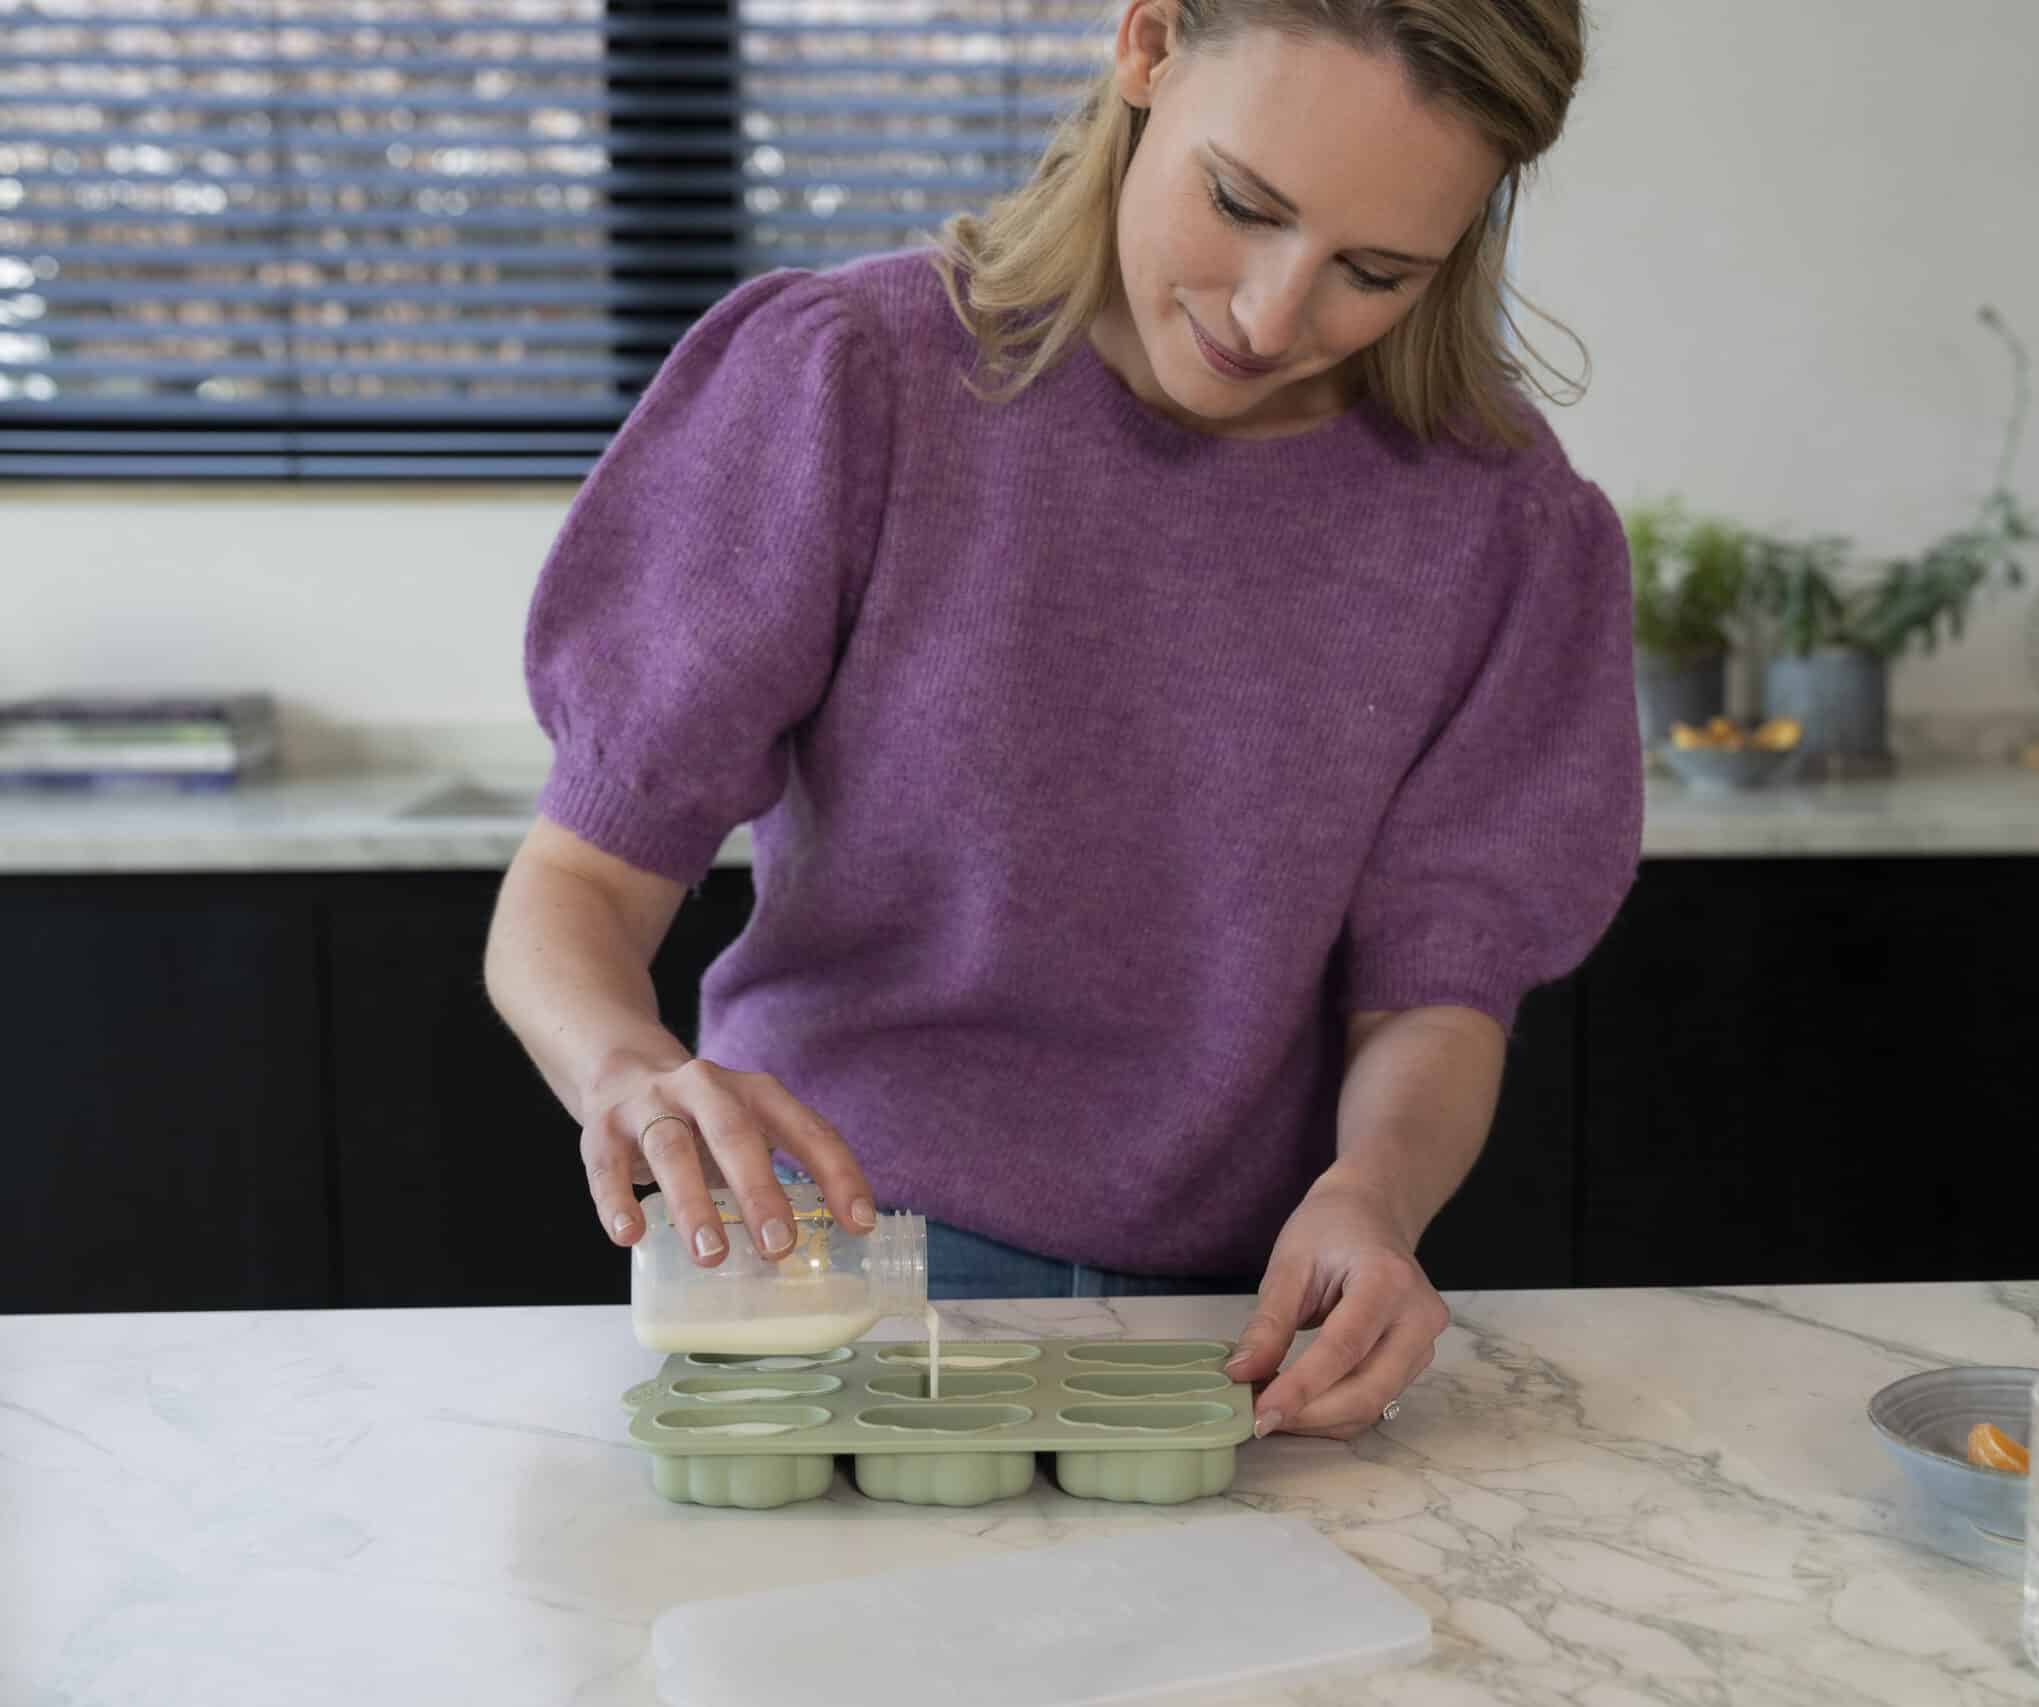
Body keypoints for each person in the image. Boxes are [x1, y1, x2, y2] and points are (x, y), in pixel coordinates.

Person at [484, 0, 1640, 1442]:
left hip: (1235, 1322)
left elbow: (1432, 995)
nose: (1271, 316)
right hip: (831, 1274)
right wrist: (626, 1070)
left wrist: (1373, 1198)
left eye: (1375, 272)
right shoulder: (853, 380)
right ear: (1148, 47)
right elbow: (577, 885)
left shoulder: (1508, 529)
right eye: (1244, 206)